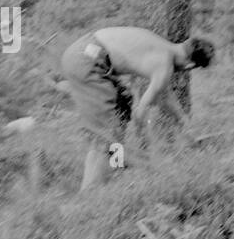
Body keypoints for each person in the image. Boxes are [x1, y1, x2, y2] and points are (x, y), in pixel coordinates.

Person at [59, 26, 214, 191]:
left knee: (123, 103)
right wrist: (143, 142)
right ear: (190, 65)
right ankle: (94, 190)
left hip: (86, 51)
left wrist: (183, 120)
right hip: (87, 60)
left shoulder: (163, 48)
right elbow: (141, 113)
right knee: (109, 138)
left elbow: (164, 93)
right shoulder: (164, 65)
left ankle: (114, 170)